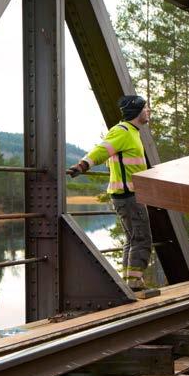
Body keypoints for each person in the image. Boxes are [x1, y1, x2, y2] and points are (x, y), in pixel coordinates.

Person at [68, 95, 152, 290]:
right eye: (146, 108)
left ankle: (130, 282)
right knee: (141, 238)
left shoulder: (132, 132)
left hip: (129, 194)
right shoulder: (122, 131)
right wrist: (83, 165)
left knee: (133, 238)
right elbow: (101, 150)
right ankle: (134, 283)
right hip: (128, 195)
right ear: (137, 111)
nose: (148, 112)